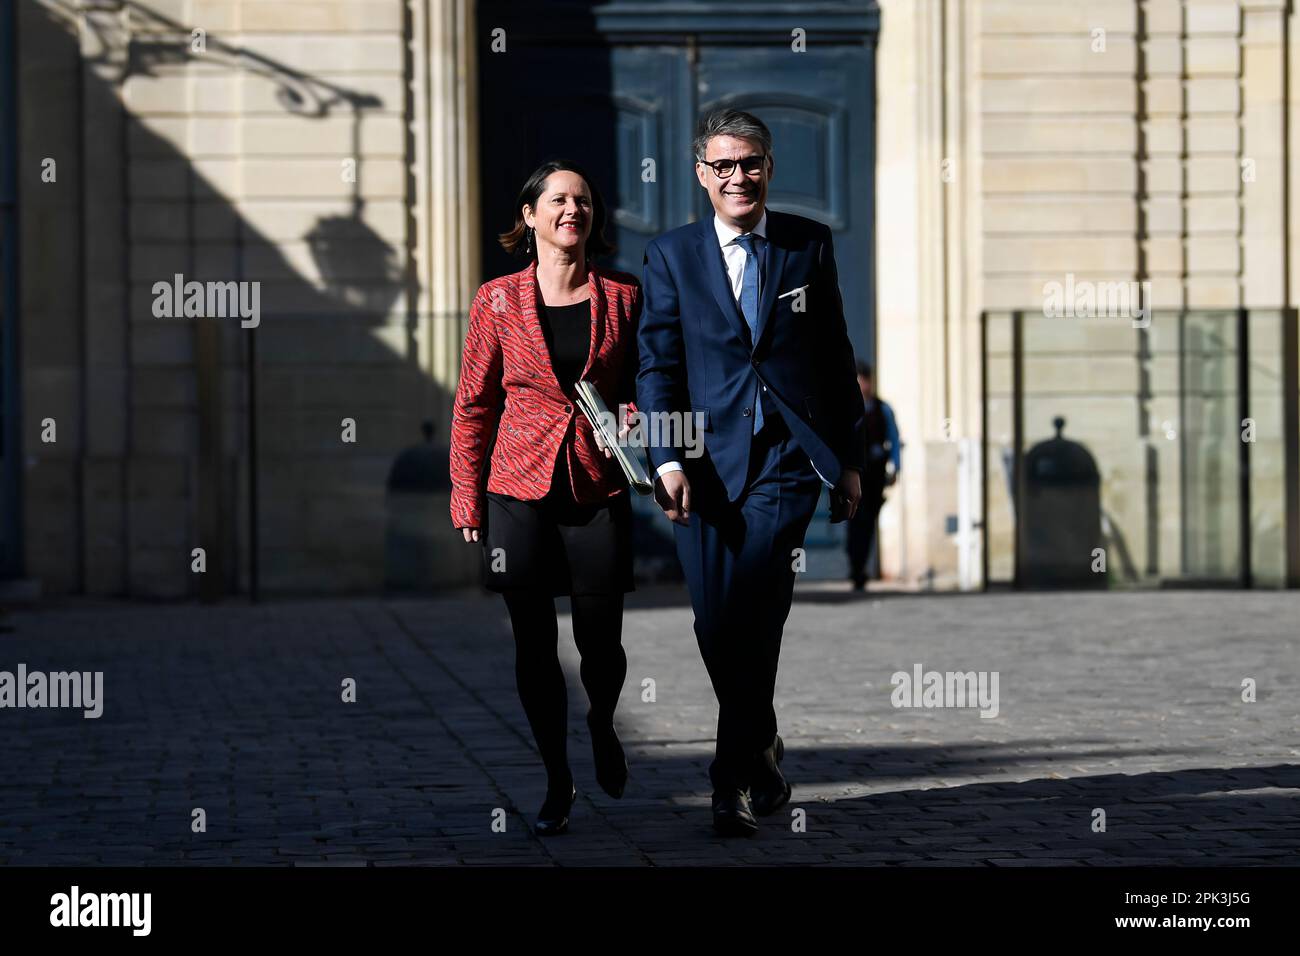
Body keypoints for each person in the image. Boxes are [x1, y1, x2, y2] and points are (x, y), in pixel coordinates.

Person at [637, 108, 865, 836]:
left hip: (784, 461)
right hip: (701, 468)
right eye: (725, 165)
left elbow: (833, 356)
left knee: (757, 608)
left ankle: (726, 782)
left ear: (769, 167)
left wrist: (849, 459)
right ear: (703, 174)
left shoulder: (808, 245)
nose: (740, 177)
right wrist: (666, 458)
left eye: (752, 163)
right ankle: (761, 748)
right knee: (716, 621)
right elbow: (658, 365)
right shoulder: (672, 255)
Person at [449, 160, 641, 836]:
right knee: (534, 644)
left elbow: (642, 384)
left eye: (584, 200)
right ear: (529, 215)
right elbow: (474, 404)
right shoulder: (496, 300)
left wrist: (638, 418)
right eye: (558, 200)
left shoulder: (622, 296)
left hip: (596, 486)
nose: (572, 210)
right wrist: (466, 498)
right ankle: (557, 778)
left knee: (601, 642)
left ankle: (601, 721)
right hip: (516, 490)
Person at [847, 361, 901, 590]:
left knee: (867, 522)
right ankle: (856, 565)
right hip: (853, 472)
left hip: (874, 474)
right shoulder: (848, 407)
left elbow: (894, 439)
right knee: (854, 522)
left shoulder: (882, 409)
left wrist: (896, 467)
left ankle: (860, 569)